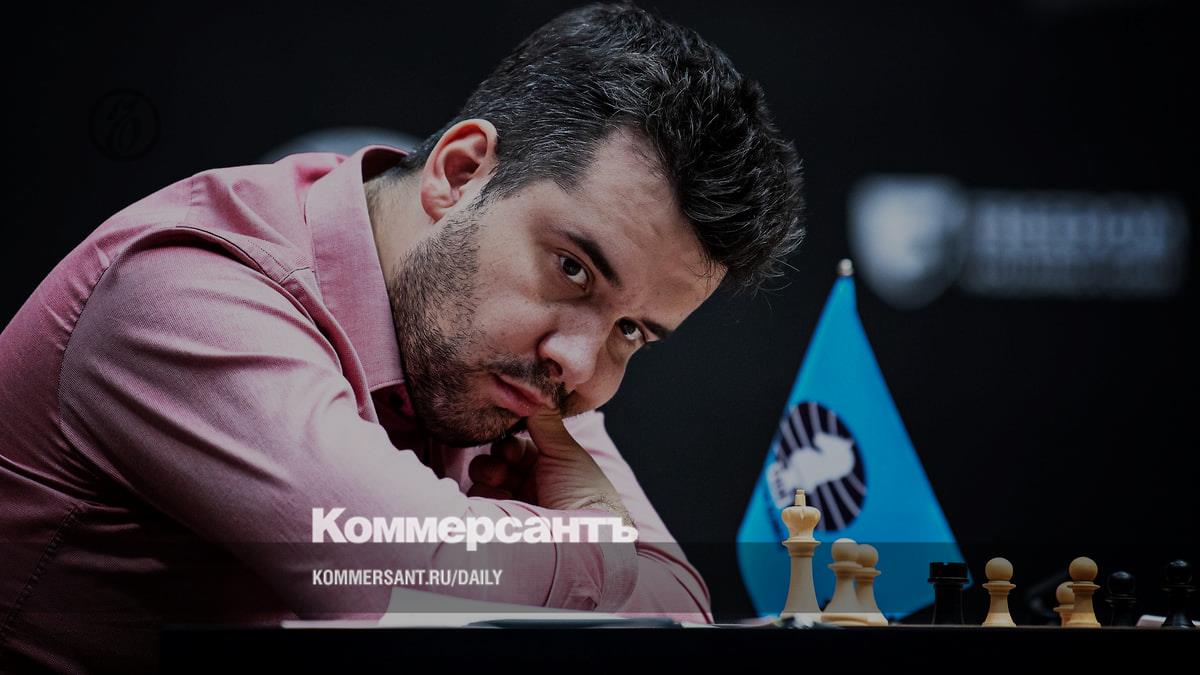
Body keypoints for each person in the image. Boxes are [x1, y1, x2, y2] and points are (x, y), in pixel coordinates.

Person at [0, 2, 805, 671]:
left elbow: (681, 614)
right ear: (460, 174)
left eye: (632, 330)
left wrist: (533, 557)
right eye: (572, 268)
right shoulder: (186, 289)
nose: (579, 362)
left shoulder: (529, 363)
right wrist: (593, 544)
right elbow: (396, 580)